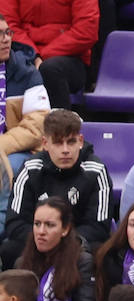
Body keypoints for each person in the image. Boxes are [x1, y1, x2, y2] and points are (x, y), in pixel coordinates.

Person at [3, 110, 113, 266]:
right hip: (39, 242)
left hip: (78, 245)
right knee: (9, 250)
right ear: (45, 144)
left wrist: (60, 241)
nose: (66, 150)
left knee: (102, 252)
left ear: (80, 141)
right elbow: (15, 223)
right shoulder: (30, 168)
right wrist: (47, 239)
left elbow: (99, 226)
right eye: (58, 142)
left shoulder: (96, 170)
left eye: (71, 142)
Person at [17, 198, 96, 301]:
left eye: (49, 225)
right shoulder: (22, 263)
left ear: (65, 229)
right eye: (37, 224)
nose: (41, 231)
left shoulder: (82, 261)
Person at [0, 14, 50, 236]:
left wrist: (2, 145)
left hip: (20, 151)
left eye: (8, 32)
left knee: (6, 165)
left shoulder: (27, 73)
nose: (5, 39)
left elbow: (37, 125)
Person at [1, 0, 97, 111]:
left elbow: (85, 31)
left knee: (50, 69)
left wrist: (42, 56)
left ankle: (59, 125)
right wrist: (33, 55)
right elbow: (8, 24)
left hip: (69, 57)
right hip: (23, 52)